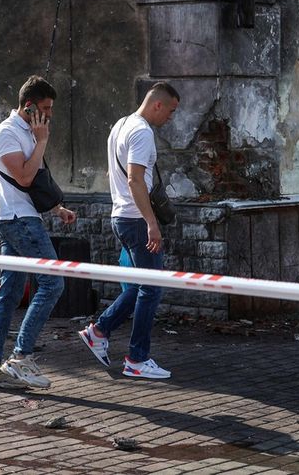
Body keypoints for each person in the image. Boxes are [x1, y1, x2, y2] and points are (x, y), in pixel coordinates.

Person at [0, 75, 77, 390]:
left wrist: (56, 208)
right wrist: (42, 140)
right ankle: (20, 356)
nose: (50, 114)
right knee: (52, 283)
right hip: (17, 219)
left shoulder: (27, 132)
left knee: (9, 295)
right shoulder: (7, 133)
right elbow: (23, 176)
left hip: (21, 214)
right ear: (30, 107)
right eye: (46, 108)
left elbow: (33, 182)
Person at [78, 82, 180, 379]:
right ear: (157, 105)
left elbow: (115, 173)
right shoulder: (143, 132)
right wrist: (151, 223)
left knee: (138, 286)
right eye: (170, 111)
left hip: (121, 215)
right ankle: (137, 358)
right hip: (135, 219)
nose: (170, 118)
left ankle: (99, 331)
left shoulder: (120, 125)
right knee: (151, 288)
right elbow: (135, 180)